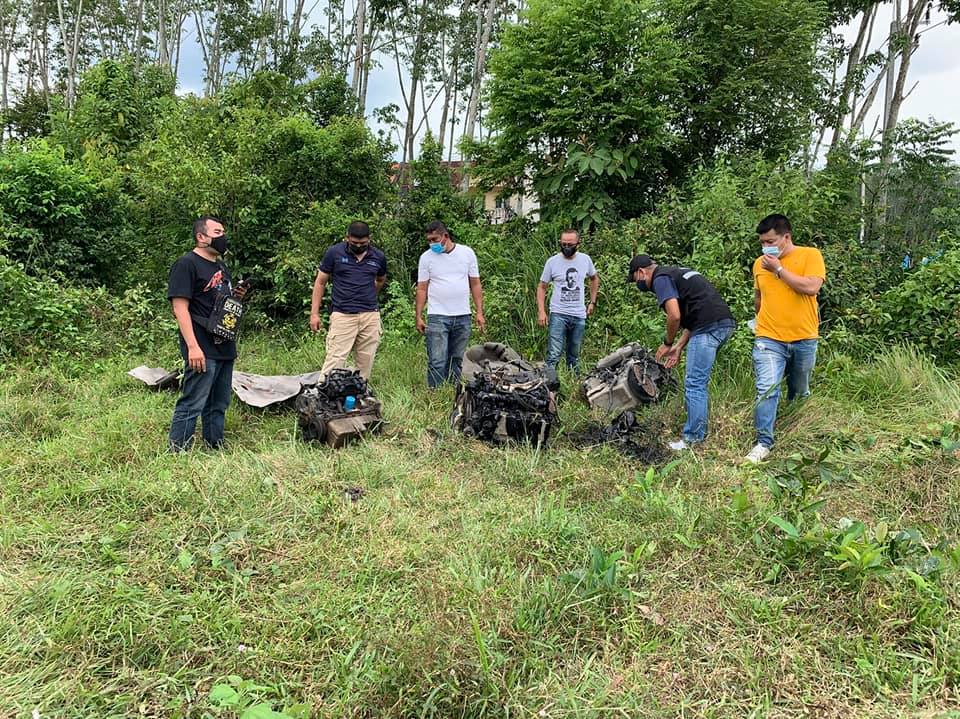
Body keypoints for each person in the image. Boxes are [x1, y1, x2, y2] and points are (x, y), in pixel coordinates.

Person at [628, 254, 735, 451]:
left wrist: (667, 343)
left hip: (708, 328)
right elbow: (695, 314)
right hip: (722, 324)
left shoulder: (660, 279)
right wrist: (679, 347)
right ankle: (696, 432)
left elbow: (675, 315)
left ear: (641, 272)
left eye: (636, 280)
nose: (639, 284)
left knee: (694, 384)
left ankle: (693, 439)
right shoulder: (676, 272)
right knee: (697, 382)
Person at [745, 213, 826, 463]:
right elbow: (759, 298)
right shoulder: (759, 264)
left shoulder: (810, 255)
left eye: (770, 240)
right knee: (767, 389)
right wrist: (760, 322)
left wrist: (779, 269)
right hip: (769, 338)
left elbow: (811, 287)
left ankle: (797, 429)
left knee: (799, 391)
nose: (765, 246)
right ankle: (763, 442)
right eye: (762, 242)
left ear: (786, 237)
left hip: (804, 338)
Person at [167, 215, 248, 452]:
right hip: (201, 342)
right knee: (193, 400)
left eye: (222, 232)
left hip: (224, 341)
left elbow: (221, 301)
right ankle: (178, 450)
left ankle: (215, 446)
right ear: (201, 237)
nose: (222, 237)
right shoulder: (186, 264)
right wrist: (192, 346)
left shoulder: (221, 267)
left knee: (219, 401)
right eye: (217, 232)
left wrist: (238, 295)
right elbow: (179, 307)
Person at [310, 221, 387, 380]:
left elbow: (380, 280)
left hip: (370, 316)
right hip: (343, 315)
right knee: (335, 361)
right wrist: (314, 314)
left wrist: (368, 294)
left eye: (363, 243)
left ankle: (357, 396)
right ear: (347, 238)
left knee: (365, 362)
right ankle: (323, 396)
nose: (359, 246)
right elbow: (320, 282)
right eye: (354, 243)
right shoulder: (334, 253)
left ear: (369, 239)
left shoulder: (378, 257)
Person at [415, 220, 486, 388]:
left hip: (462, 315)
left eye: (435, 239)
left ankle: (453, 390)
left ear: (445, 236)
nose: (432, 243)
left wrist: (479, 312)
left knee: (457, 358)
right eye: (429, 240)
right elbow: (422, 288)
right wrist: (418, 316)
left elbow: (475, 283)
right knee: (437, 360)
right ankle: (435, 393)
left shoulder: (467, 253)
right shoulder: (426, 258)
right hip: (437, 315)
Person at [536, 229, 599, 373]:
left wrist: (592, 302)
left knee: (574, 356)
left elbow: (594, 278)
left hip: (578, 314)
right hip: (558, 313)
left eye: (570, 244)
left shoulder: (585, 260)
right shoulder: (552, 262)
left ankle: (574, 386)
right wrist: (541, 311)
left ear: (578, 244)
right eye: (563, 244)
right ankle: (550, 386)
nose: (566, 247)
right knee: (553, 355)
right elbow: (541, 287)